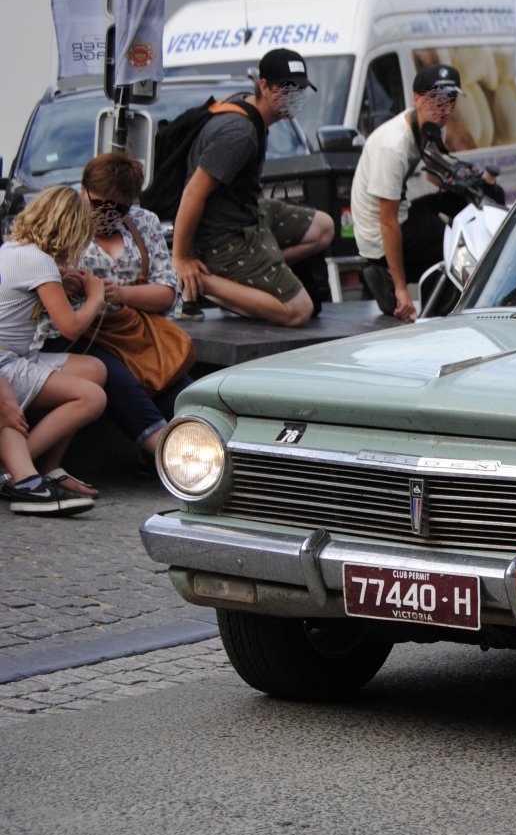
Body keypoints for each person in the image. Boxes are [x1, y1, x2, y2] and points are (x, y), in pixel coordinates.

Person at [34, 153, 191, 467]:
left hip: (131, 332)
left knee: (182, 391)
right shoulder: (61, 221)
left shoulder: (143, 222)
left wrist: (120, 292)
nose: (105, 214)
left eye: (117, 207)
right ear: (83, 191)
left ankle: (192, 447)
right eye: (98, 204)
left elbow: (166, 292)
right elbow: (35, 278)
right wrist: (67, 282)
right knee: (111, 374)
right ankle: (169, 454)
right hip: (76, 331)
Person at [171, 48, 334, 327]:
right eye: (285, 89)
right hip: (223, 238)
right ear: (263, 86)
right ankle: (206, 282)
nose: (292, 97)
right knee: (299, 310)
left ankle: (251, 280)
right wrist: (182, 258)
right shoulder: (240, 132)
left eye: (299, 90)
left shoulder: (249, 111)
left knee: (325, 227)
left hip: (248, 214)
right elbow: (192, 192)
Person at [351, 62, 501, 322]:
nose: (443, 108)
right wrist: (401, 290)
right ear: (417, 99)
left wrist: (464, 181)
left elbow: (434, 172)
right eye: (435, 100)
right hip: (378, 234)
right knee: (453, 240)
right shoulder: (393, 146)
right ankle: (393, 279)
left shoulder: (430, 126)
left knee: (459, 205)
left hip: (400, 213)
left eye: (450, 100)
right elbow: (387, 222)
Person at [0, 186, 108, 514]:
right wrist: (95, 297)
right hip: (5, 360)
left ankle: (50, 466)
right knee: (92, 397)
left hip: (13, 354)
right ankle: (18, 474)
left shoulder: (15, 249)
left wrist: (62, 278)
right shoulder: (40, 262)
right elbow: (71, 327)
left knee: (94, 370)